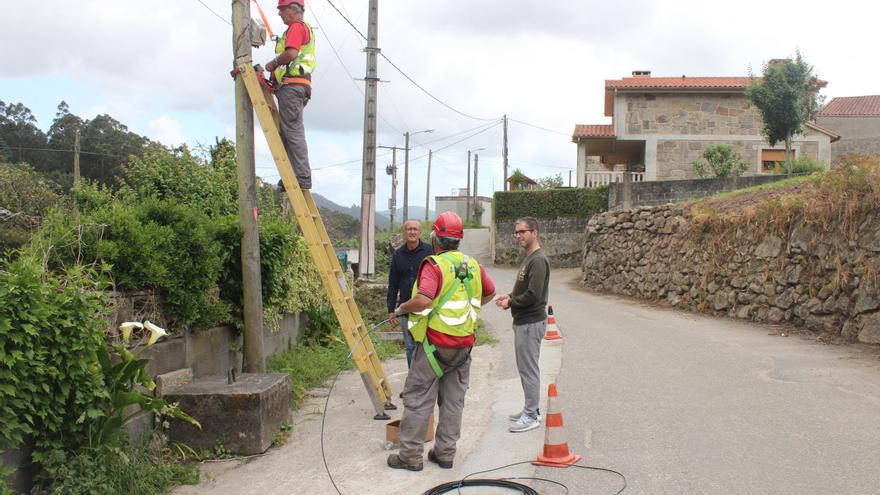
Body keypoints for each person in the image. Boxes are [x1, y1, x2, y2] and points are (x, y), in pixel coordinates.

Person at [387, 212, 496, 471]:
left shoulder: (434, 265)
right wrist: (465, 317)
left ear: (435, 238)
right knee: (453, 401)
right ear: (459, 240)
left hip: (434, 346)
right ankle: (445, 453)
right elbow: (490, 293)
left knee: (417, 398)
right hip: (462, 348)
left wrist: (403, 308)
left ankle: (410, 456)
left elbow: (424, 299)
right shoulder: (473, 265)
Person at [495, 217, 550, 433]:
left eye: (522, 232)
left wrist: (511, 302)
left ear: (534, 232)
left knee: (529, 370)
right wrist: (508, 297)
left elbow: (534, 295)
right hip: (523, 322)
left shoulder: (537, 260)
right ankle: (530, 408)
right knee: (525, 368)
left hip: (530, 322)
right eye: (516, 232)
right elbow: (523, 290)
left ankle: (531, 415)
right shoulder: (529, 258)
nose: (518, 236)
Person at [264, 0, 315, 190]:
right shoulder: (300, 28)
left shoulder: (296, 27)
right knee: (287, 130)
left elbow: (292, 53)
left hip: (292, 86)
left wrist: (273, 63)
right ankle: (292, 174)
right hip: (293, 87)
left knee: (292, 131)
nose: (279, 14)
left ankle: (301, 176)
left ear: (293, 10)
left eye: (281, 9)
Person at [387, 220, 433, 368]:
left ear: (419, 232)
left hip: (428, 309)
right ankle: (413, 381)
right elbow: (393, 284)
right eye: (409, 229)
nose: (412, 232)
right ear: (404, 232)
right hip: (406, 310)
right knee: (410, 348)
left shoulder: (430, 251)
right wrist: (391, 310)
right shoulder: (398, 255)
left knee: (428, 346)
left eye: (415, 229)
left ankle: (428, 380)